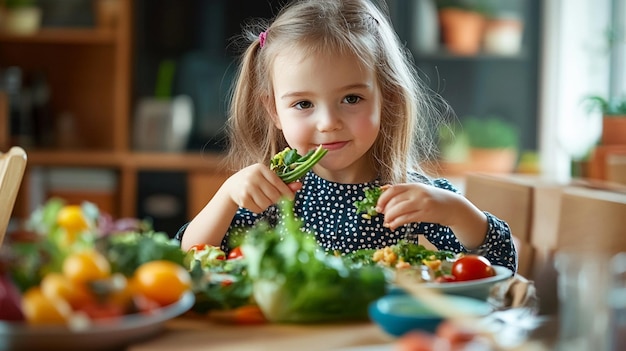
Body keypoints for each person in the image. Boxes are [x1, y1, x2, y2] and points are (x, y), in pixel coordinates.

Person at [177, 0, 517, 272]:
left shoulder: (414, 196)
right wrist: (226, 196)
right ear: (273, 111)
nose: (328, 122)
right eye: (303, 103)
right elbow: (190, 259)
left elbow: (503, 265)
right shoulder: (271, 192)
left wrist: (458, 212)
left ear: (388, 99)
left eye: (351, 99)